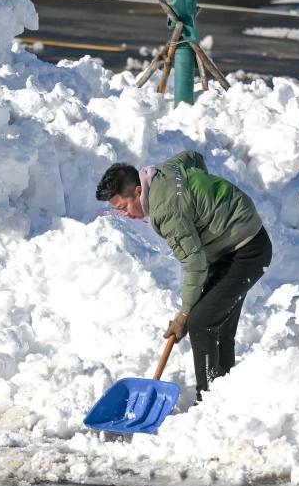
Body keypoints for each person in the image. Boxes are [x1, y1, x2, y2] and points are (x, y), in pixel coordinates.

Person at [95, 150, 272, 401]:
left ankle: (209, 398)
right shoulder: (162, 171)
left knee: (201, 322)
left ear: (137, 191)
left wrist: (185, 314)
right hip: (234, 244)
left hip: (247, 251)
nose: (125, 214)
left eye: (124, 207)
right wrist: (203, 207)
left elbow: (195, 263)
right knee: (215, 321)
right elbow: (193, 156)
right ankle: (224, 392)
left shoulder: (167, 212)